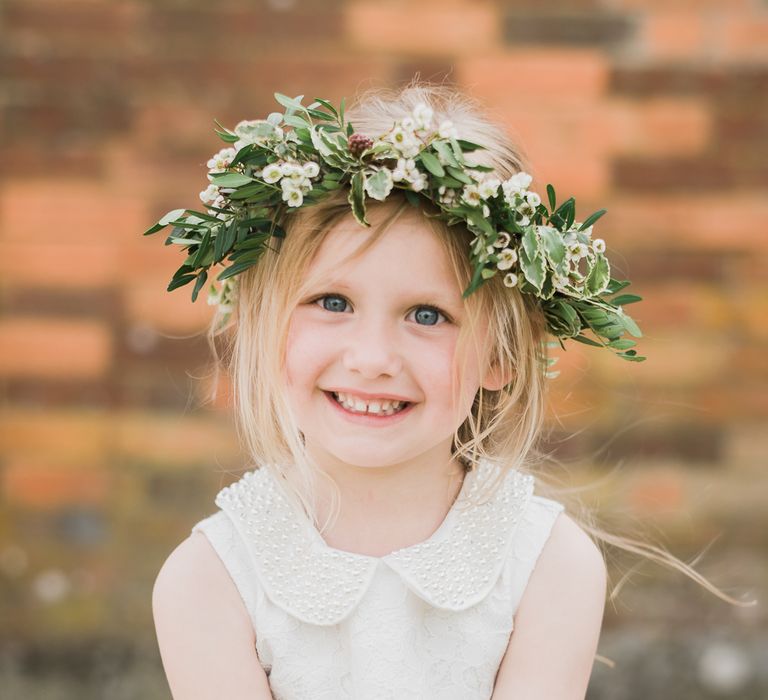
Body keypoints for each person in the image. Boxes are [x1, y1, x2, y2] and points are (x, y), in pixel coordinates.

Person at [149, 79, 754, 699]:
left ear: (500, 355)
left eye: (427, 315)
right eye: (333, 302)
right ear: (266, 322)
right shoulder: (210, 581)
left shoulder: (546, 568)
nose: (374, 359)